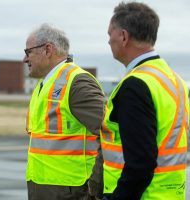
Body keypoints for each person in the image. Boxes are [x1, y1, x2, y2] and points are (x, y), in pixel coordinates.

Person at [101, 2, 189, 200]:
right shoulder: (175, 80)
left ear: (123, 36)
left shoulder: (135, 85)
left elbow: (140, 164)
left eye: (110, 34)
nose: (108, 41)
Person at [24, 23, 105, 200]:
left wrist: (96, 184)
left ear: (47, 50)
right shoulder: (45, 84)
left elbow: (112, 133)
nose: (25, 59)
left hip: (72, 191)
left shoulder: (76, 83)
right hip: (45, 188)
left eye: (28, 52)